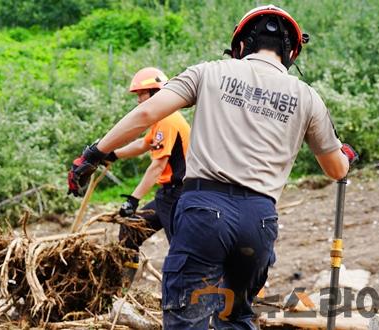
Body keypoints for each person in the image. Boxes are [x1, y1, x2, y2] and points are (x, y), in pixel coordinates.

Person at [68, 4, 358, 328]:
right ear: (291, 52)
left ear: (241, 45)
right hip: (259, 221)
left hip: (205, 211)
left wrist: (94, 153)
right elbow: (336, 169)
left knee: (186, 318)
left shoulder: (209, 72)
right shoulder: (307, 97)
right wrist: (344, 154)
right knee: (235, 318)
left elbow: (147, 113)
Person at [103, 67, 190, 278]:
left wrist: (133, 200)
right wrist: (110, 154)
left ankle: (192, 300)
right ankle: (123, 288)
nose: (139, 100)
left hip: (179, 196)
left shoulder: (168, 120)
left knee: (183, 253)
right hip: (167, 196)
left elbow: (158, 166)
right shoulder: (162, 119)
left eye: (142, 94)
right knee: (130, 231)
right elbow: (143, 144)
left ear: (156, 93)